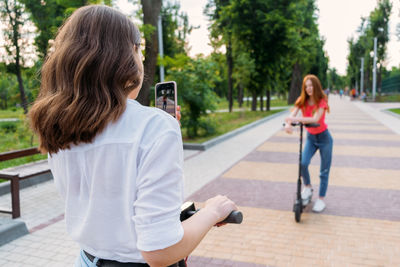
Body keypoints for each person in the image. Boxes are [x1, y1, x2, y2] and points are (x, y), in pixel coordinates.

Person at [28, 5, 237, 267]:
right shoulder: (153, 128)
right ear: (124, 58)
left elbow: (107, 199)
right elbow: (160, 252)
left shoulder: (59, 125)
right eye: (137, 49)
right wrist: (212, 211)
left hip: (85, 260)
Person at [284, 74, 333, 213]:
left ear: (316, 86)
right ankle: (308, 186)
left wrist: (296, 119)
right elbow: (292, 115)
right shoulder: (302, 101)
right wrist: (288, 124)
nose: (308, 89)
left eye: (311, 85)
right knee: (303, 163)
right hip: (311, 138)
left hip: (324, 139)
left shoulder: (322, 100)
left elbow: (315, 118)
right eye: (306, 86)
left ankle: (321, 199)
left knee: (324, 171)